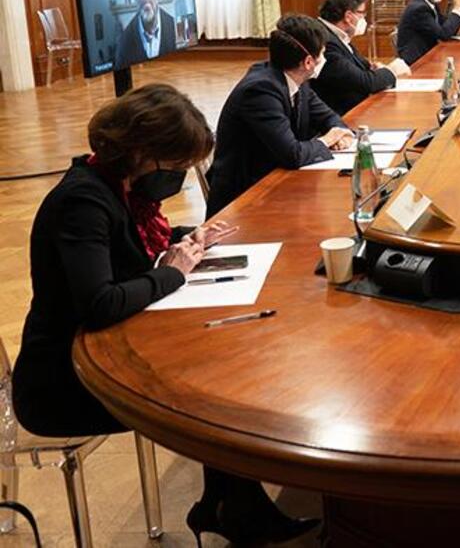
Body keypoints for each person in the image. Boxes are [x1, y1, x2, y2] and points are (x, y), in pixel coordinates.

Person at [12, 84, 319, 545]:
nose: (176, 177)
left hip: (106, 347)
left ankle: (229, 503)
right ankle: (234, 509)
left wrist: (189, 237)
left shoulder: (118, 189)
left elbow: (130, 246)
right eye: (173, 166)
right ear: (140, 152)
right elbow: (100, 303)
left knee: (217, 372)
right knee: (208, 397)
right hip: (64, 379)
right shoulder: (83, 203)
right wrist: (173, 273)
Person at [206, 14, 352, 217]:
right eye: (322, 53)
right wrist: (327, 140)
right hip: (244, 201)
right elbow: (292, 154)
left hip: (277, 182)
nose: (324, 59)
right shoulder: (261, 90)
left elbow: (329, 117)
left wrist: (340, 133)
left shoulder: (296, 79)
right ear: (308, 62)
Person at [311, 0, 410, 116]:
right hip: (342, 116)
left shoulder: (338, 36)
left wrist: (374, 69)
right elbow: (366, 83)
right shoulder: (325, 42)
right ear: (348, 16)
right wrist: (392, 70)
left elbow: (363, 68)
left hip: (356, 109)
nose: (364, 19)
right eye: (362, 13)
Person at [394, 0, 460, 65]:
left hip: (428, 55)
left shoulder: (429, 3)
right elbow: (443, 34)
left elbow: (444, 23)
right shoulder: (419, 8)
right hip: (416, 62)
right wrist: (457, 9)